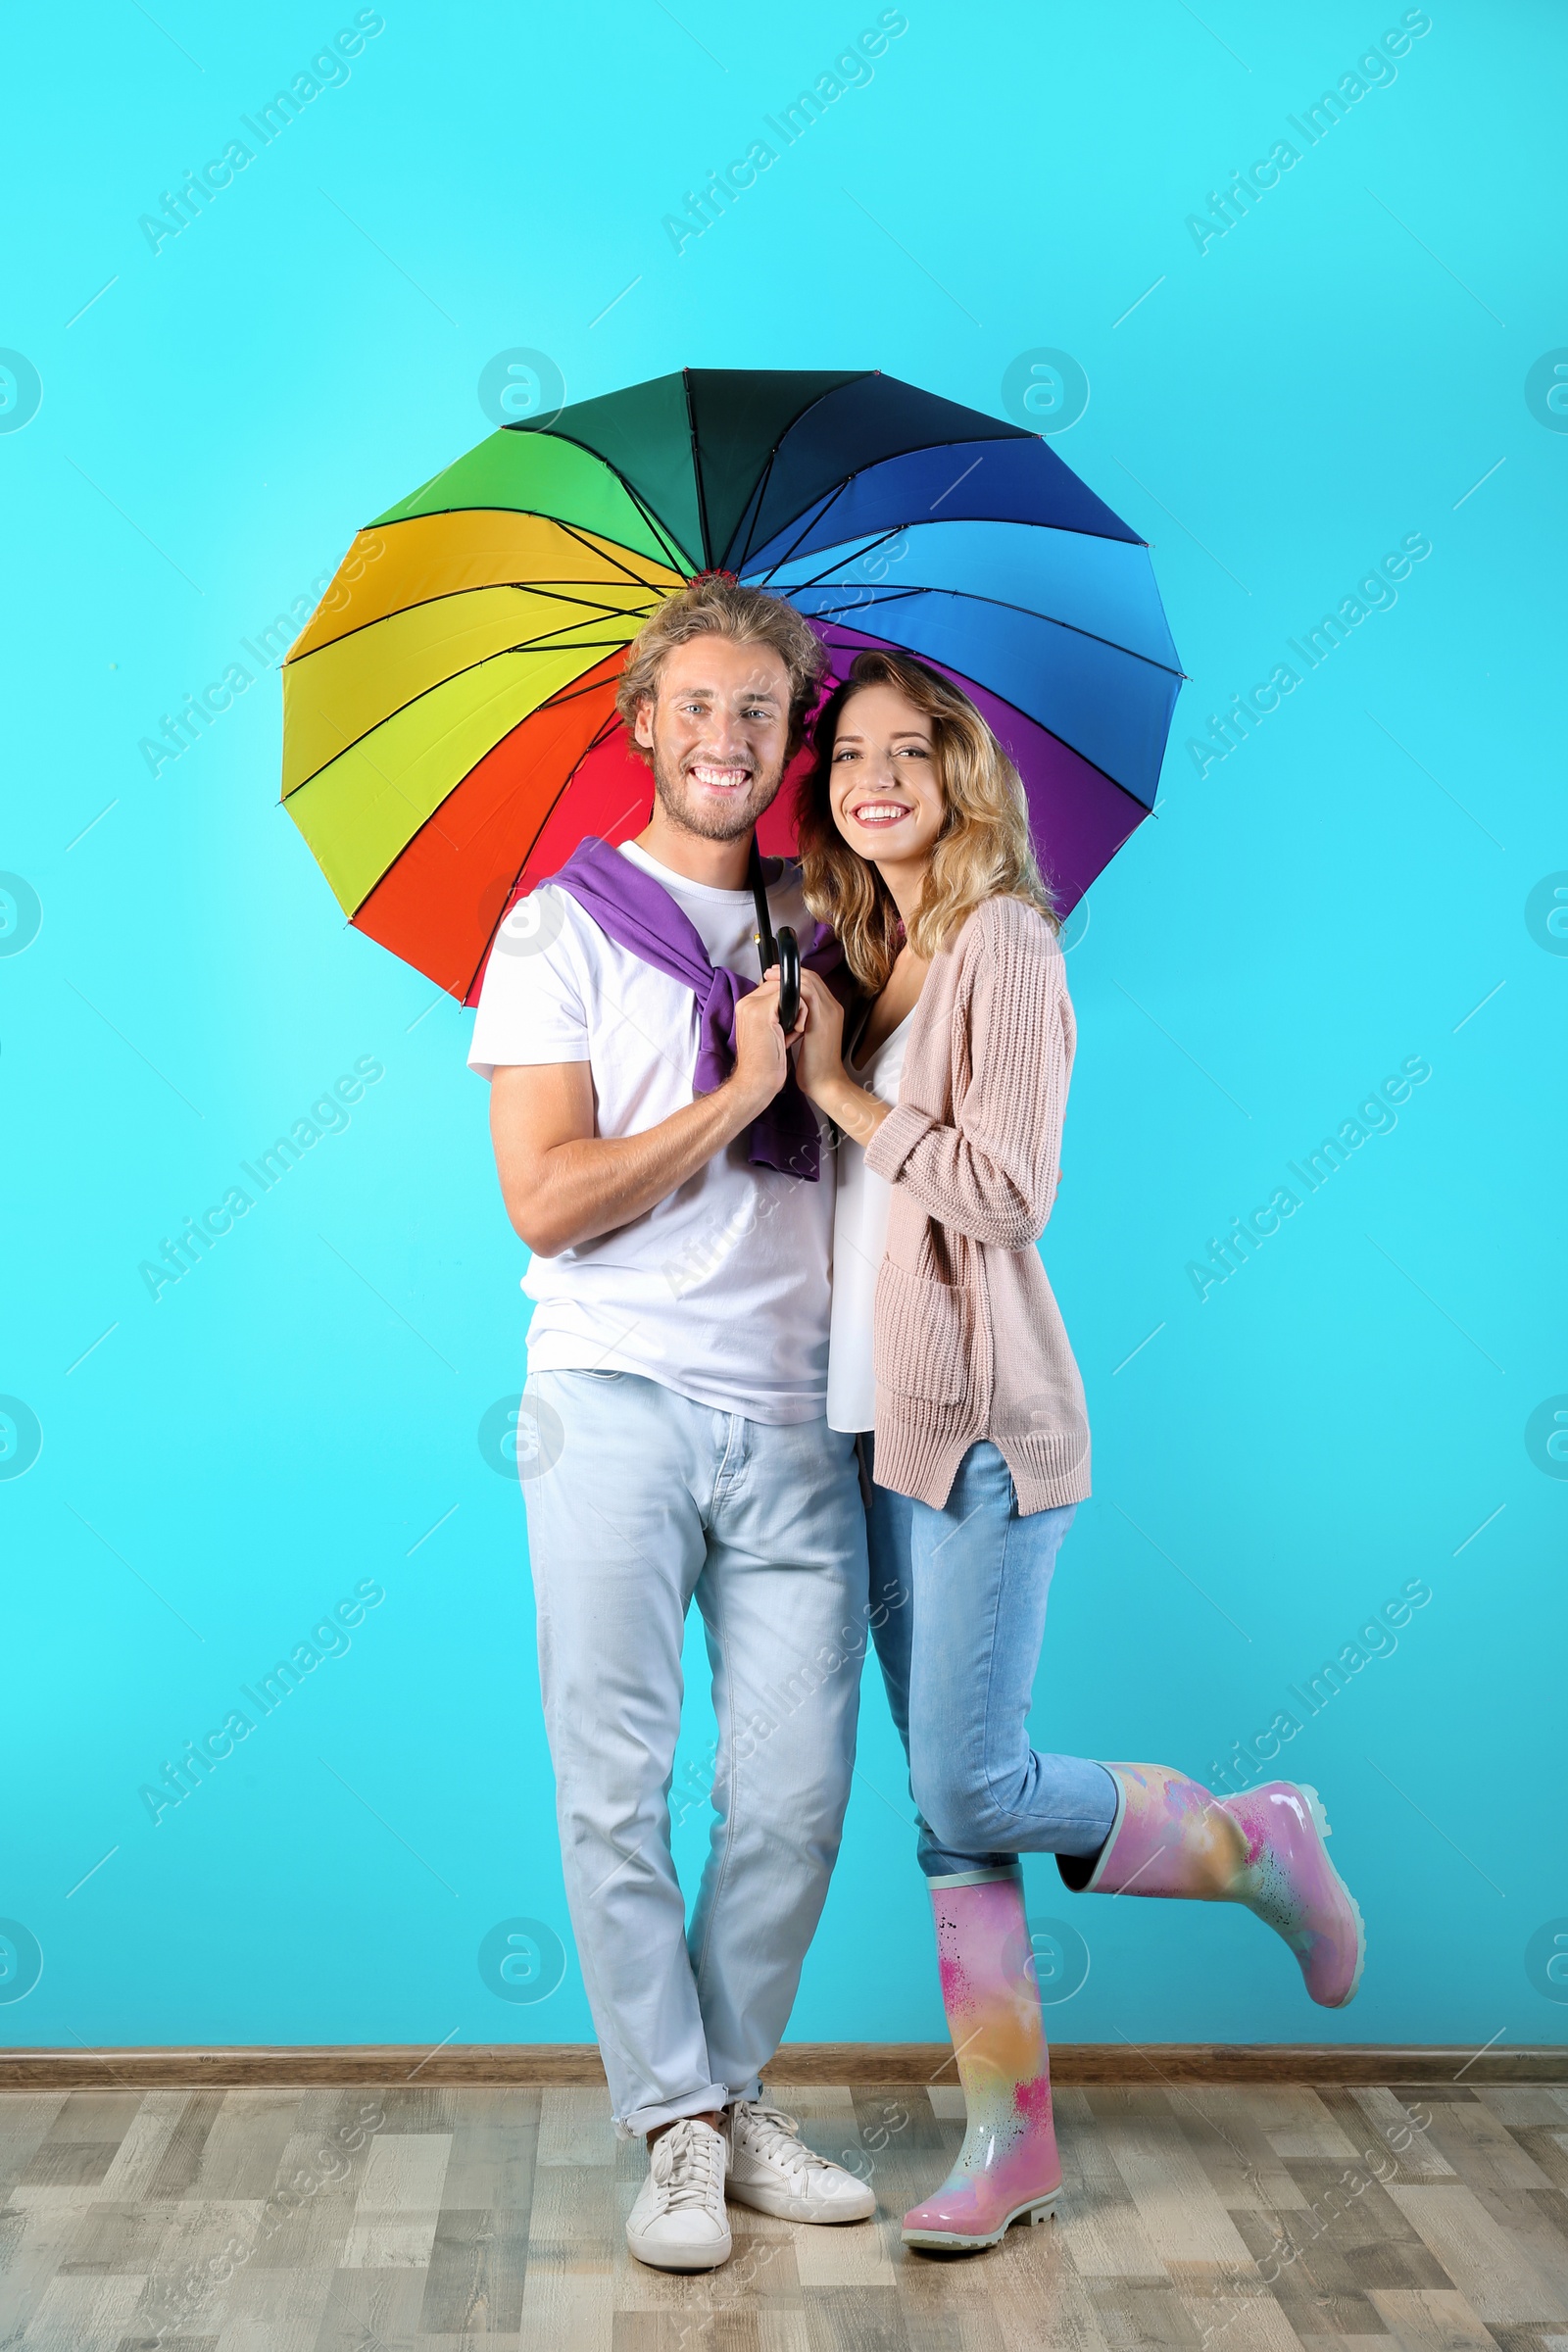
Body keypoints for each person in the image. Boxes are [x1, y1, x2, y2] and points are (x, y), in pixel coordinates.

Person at [792, 649, 1366, 2255]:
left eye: (910, 751)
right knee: (949, 1815)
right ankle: (1009, 2146)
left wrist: (840, 1089)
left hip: (978, 1422)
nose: (874, 778)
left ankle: (1257, 1841)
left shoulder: (1006, 944)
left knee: (968, 1772)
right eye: (848, 756)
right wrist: (811, 1038)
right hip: (866, 1434)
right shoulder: (859, 950)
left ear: (966, 775)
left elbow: (1004, 1194)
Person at [469, 578, 876, 2272]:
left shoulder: (833, 929)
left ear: (793, 739)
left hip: (798, 1416)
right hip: (613, 1399)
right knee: (613, 1787)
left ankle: (730, 2091)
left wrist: (838, 1052)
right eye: (695, 706)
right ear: (642, 722)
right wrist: (740, 1097)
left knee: (790, 1798)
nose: (726, 738)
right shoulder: (556, 931)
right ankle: (676, 2129)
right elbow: (547, 1205)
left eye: (759, 714)